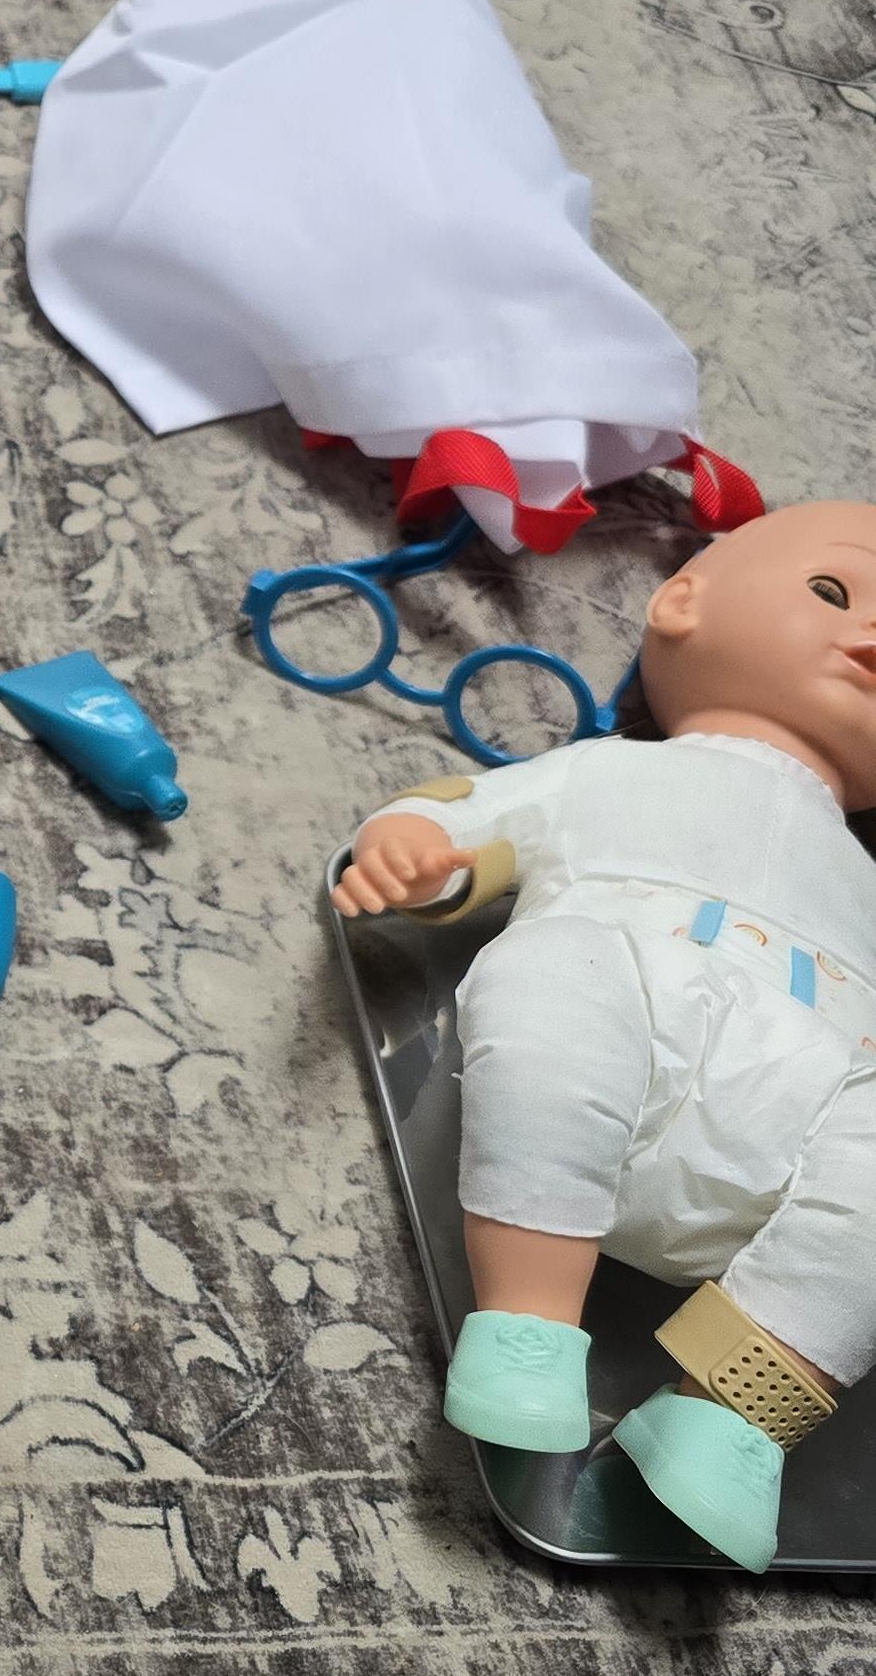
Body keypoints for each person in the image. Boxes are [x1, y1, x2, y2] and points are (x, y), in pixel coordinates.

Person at [335, 495, 876, 1567]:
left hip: (798, 1150)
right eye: (833, 591)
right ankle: (531, 1326)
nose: (869, 635)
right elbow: (470, 819)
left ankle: (733, 1410)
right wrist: (414, 846)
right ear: (682, 600)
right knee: (556, 972)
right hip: (602, 1070)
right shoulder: (611, 771)